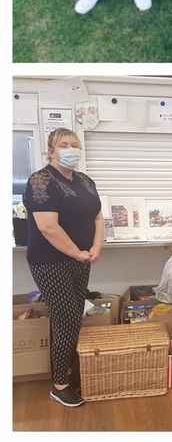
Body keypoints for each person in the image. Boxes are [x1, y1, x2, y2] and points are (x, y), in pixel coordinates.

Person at [22, 128, 103, 407]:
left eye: (75, 144)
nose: (71, 149)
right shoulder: (40, 181)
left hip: (81, 259)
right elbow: (47, 227)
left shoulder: (85, 181)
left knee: (71, 317)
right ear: (51, 151)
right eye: (64, 145)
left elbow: (98, 217)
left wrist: (95, 248)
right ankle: (59, 384)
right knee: (66, 317)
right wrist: (77, 253)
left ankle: (66, 370)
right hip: (50, 262)